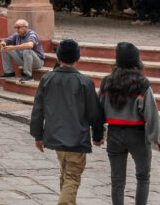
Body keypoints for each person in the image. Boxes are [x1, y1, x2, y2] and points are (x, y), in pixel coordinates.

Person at [30, 39, 104, 205]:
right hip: (76, 139)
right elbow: (94, 112)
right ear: (77, 58)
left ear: (58, 57)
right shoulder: (85, 82)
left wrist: (37, 135)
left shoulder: (47, 79)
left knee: (65, 174)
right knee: (72, 177)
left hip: (55, 136)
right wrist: (98, 135)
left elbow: (38, 109)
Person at [99, 42, 160, 205]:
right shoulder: (142, 83)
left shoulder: (107, 82)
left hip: (114, 134)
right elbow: (151, 114)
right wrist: (158, 140)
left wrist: (98, 132)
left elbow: (98, 109)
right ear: (137, 62)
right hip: (138, 135)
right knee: (143, 177)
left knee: (117, 180)